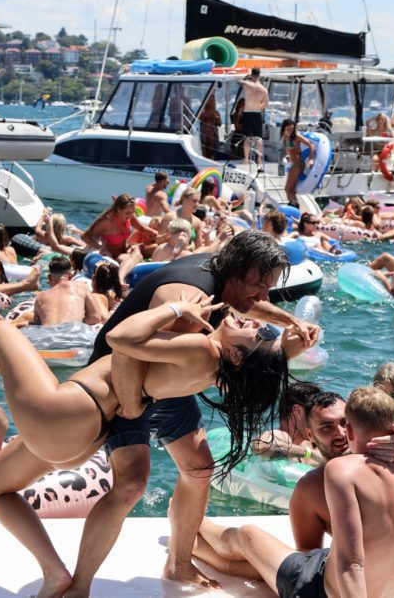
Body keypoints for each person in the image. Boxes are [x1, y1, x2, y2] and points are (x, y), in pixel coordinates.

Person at [0, 292, 309, 597]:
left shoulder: (201, 347)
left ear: (239, 356)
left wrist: (177, 307)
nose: (253, 322)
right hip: (82, 435)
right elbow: (257, 339)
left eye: (255, 333)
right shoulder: (216, 371)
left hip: (66, 412)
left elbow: (122, 337)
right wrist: (290, 329)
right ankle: (56, 575)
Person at [70, 230, 319, 595]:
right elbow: (129, 350)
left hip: (160, 380)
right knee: (131, 483)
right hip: (122, 377)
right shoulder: (189, 295)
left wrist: (288, 321)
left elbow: (243, 303)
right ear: (235, 271)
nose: (263, 295)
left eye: (268, 288)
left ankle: (179, 563)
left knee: (199, 469)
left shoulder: (223, 279)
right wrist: (130, 407)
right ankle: (78, 587)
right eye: (259, 284)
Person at [194, 387, 394, 597]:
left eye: (341, 424)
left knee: (249, 538)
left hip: (326, 581)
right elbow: (310, 558)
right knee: (250, 541)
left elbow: (347, 565)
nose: (338, 434)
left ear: (350, 428)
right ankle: (194, 525)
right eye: (326, 427)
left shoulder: (342, 474)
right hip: (326, 570)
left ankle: (194, 533)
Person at [13, 256, 102, 327]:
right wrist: (77, 320)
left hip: (48, 339)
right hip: (74, 335)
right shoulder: (81, 286)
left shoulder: (40, 298)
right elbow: (95, 317)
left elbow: (38, 326)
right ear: (70, 276)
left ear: (49, 277)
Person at [251, 381, 322, 463]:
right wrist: (308, 453)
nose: (321, 418)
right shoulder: (280, 436)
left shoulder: (310, 443)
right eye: (316, 413)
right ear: (297, 411)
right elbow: (261, 448)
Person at [82, 194, 157, 261]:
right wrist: (101, 248)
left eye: (133, 212)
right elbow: (85, 237)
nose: (131, 215)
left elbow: (142, 229)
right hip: (112, 257)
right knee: (127, 258)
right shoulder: (107, 222)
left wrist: (154, 233)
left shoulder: (130, 217)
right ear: (118, 209)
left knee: (155, 247)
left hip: (126, 251)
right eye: (127, 213)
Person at [281, 119, 315, 207]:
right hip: (292, 163)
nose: (290, 131)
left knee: (288, 189)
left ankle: (295, 209)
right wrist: (288, 157)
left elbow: (311, 145)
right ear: (284, 128)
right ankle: (295, 208)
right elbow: (288, 150)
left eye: (292, 129)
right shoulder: (284, 136)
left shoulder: (296, 136)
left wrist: (311, 159)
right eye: (288, 129)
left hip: (297, 163)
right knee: (291, 190)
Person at [157, 186, 203, 251]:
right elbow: (157, 241)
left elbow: (199, 247)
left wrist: (191, 248)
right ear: (184, 200)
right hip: (168, 255)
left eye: (198, 201)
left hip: (186, 258)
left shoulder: (197, 221)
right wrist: (168, 236)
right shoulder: (170, 217)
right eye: (194, 201)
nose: (197, 204)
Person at [239, 68, 268, 165]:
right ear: (259, 76)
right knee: (258, 138)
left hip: (247, 113)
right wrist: (258, 106)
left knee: (247, 138)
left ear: (252, 75)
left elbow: (239, 81)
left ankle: (246, 159)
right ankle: (259, 159)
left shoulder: (247, 84)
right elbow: (265, 105)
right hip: (257, 113)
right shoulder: (263, 90)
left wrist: (247, 76)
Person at [199, 94, 221, 160]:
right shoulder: (202, 111)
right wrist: (203, 116)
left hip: (212, 132)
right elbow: (198, 120)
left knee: (211, 150)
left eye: (212, 99)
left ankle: (209, 160)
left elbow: (219, 124)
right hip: (203, 131)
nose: (210, 101)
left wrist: (217, 118)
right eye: (209, 99)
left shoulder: (216, 112)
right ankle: (205, 160)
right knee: (203, 149)